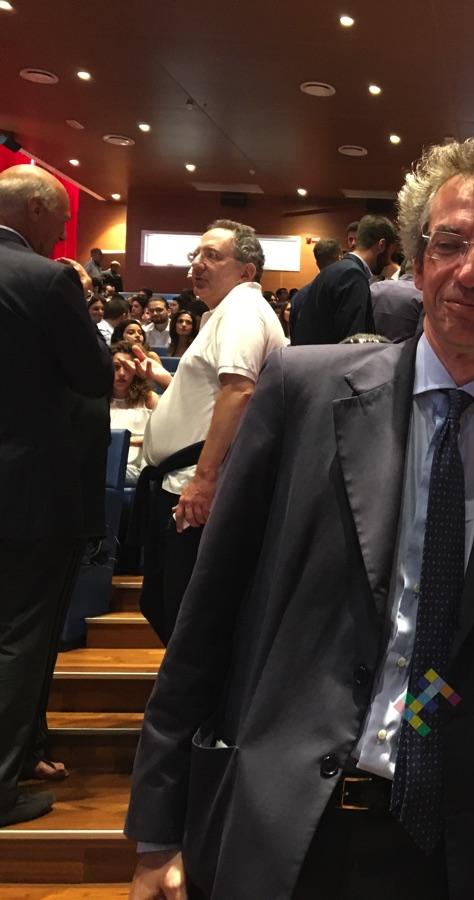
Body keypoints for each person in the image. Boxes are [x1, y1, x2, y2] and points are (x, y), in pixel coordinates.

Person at [125, 132, 474, 900]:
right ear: (415, 261)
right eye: (448, 243)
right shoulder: (302, 391)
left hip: (458, 856)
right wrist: (158, 828)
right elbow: (207, 614)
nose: (469, 271)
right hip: (283, 830)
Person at [0, 165, 111, 826]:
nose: (64, 234)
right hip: (28, 491)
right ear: (37, 210)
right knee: (20, 635)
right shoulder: (46, 280)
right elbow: (93, 376)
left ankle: (27, 751)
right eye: (62, 220)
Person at [136, 219, 286, 643]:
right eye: (196, 255)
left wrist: (204, 480)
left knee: (190, 620)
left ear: (246, 271)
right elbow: (211, 395)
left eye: (212, 256)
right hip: (185, 481)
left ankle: (192, 691)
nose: (197, 265)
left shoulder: (241, 311)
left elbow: (239, 391)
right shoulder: (226, 313)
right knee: (171, 607)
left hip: (198, 487)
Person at [291, 214, 399, 345]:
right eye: (391, 253)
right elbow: (352, 343)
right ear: (381, 245)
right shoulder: (353, 276)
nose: (389, 261)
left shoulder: (335, 270)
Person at [111, 340, 158, 483]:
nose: (121, 373)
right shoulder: (98, 399)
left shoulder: (148, 398)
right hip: (105, 461)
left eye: (127, 368)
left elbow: (164, 435)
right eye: (116, 367)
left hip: (136, 467)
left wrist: (130, 441)